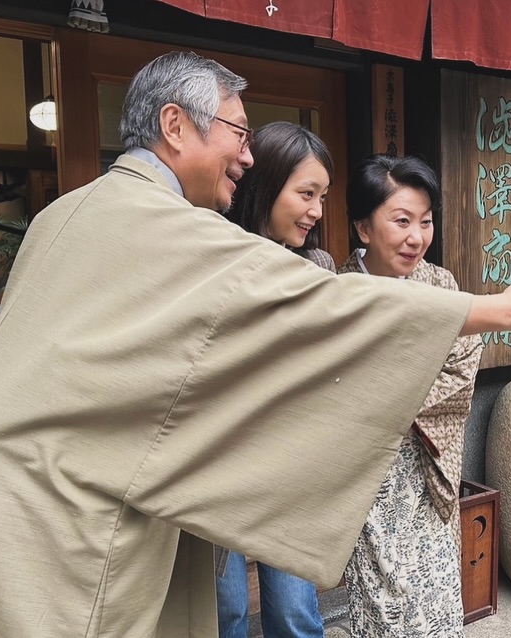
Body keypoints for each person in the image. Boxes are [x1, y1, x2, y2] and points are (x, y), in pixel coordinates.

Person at [0, 51, 511, 638]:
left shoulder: (66, 212)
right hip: (65, 511)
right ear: (175, 125)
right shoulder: (169, 226)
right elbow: (326, 306)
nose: (247, 154)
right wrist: (503, 309)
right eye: (238, 132)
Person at [338, 154, 483, 636]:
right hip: (366, 474)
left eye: (426, 221)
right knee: (382, 601)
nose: (417, 237)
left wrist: (390, 394)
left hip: (427, 463)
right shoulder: (337, 293)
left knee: (437, 595)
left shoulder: (440, 283)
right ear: (363, 227)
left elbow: (463, 364)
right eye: (402, 221)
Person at [219, 120, 334, 638]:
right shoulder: (217, 254)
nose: (317, 210)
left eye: (322, 197)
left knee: (294, 613)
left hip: (289, 462)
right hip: (220, 462)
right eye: (306, 194)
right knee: (225, 612)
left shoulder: (318, 267)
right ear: (265, 184)